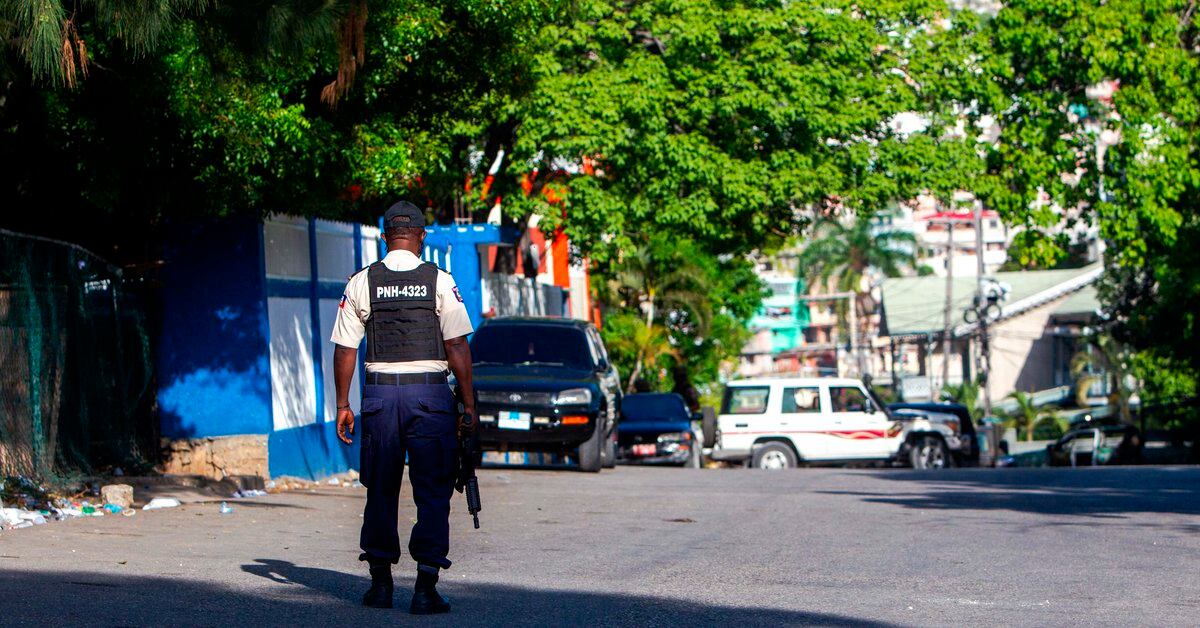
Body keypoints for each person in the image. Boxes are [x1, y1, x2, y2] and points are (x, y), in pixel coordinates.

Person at [329, 200, 476, 614]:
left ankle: (380, 587)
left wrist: (344, 404)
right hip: (430, 398)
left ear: (384, 236)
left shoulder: (362, 282)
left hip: (379, 399)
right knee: (432, 491)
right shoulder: (439, 281)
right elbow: (457, 345)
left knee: (381, 489)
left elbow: (344, 348)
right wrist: (467, 404)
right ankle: (425, 589)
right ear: (421, 237)